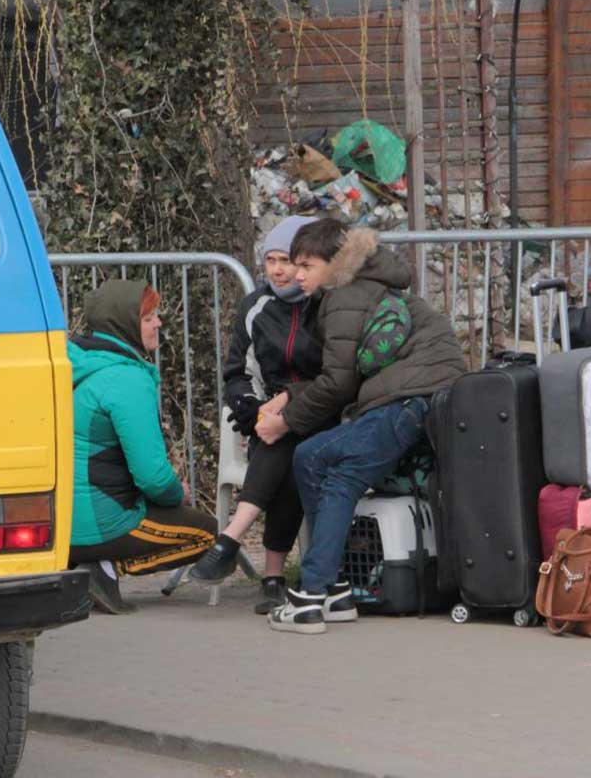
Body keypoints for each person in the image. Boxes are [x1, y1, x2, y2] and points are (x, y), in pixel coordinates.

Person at [255, 218, 467, 635]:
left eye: (307, 265)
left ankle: (311, 595)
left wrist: (285, 423)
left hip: (407, 401)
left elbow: (338, 384)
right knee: (310, 455)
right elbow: (345, 372)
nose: (298, 275)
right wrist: (292, 399)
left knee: (341, 475)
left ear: (334, 265)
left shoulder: (345, 296)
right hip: (420, 398)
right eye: (295, 265)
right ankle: (333, 589)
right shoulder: (363, 288)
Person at [189, 215, 322, 614]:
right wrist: (251, 408)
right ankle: (272, 578)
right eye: (270, 261)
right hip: (270, 417)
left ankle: (231, 543)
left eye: (287, 260)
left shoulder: (326, 305)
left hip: (322, 412)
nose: (279, 270)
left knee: (288, 443)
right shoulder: (256, 307)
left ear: (305, 263)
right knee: (281, 446)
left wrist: (282, 412)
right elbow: (237, 372)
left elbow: (334, 375)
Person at [69, 278, 218, 614]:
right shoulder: (127, 380)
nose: (158, 324)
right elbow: (151, 476)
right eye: (149, 318)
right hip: (102, 522)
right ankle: (99, 571)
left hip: (59, 523)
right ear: (125, 326)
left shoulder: (79, 360)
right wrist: (175, 494)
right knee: (207, 535)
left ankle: (77, 568)